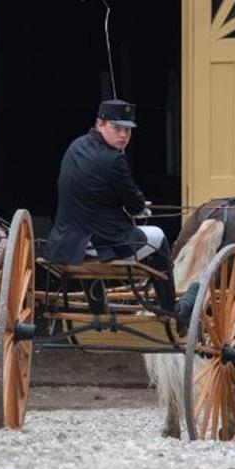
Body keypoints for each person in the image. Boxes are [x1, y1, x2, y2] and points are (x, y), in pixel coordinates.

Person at [47, 99, 198, 329]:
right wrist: (139, 209)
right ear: (99, 124)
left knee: (97, 229)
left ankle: (98, 307)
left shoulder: (75, 147)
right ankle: (171, 309)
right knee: (158, 237)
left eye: (127, 130)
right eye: (116, 129)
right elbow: (136, 206)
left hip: (69, 243)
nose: (123, 136)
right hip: (102, 244)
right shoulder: (114, 159)